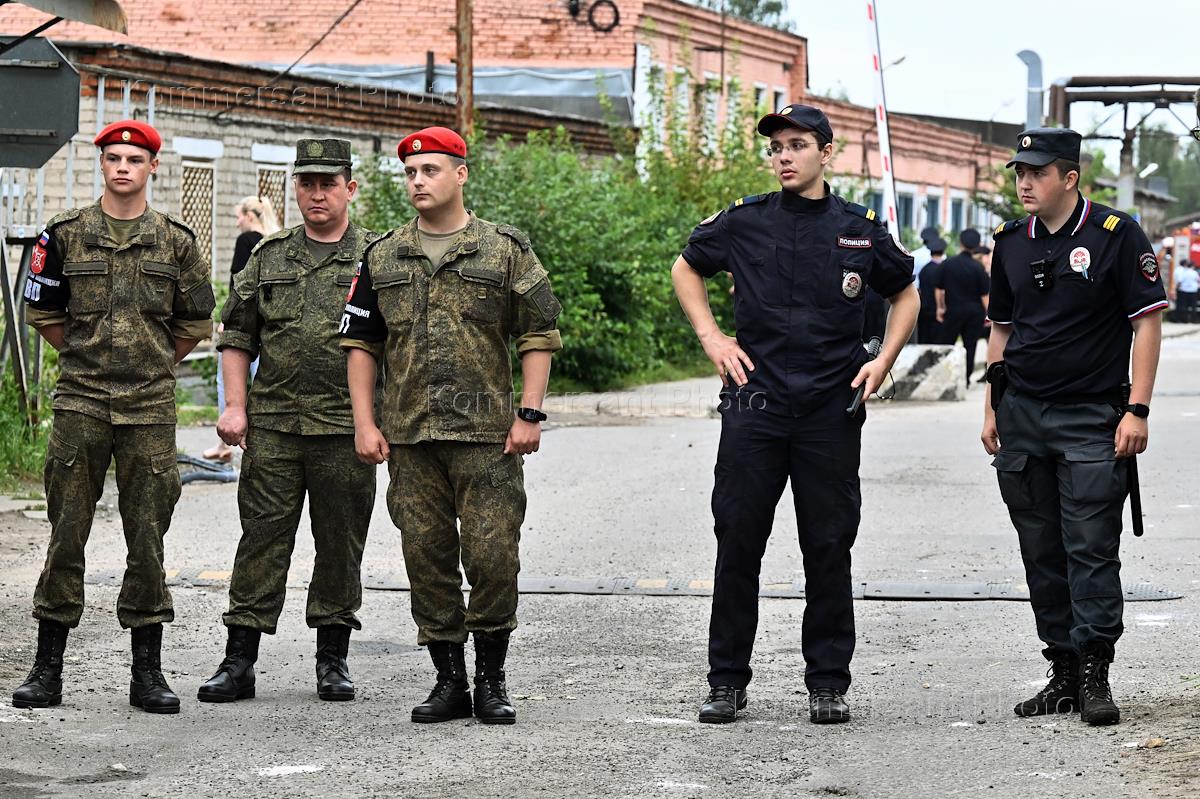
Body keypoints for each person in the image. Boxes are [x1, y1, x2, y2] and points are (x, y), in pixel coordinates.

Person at [671, 104, 919, 725]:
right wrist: (712, 338)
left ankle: (828, 683)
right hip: (755, 403)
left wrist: (883, 360)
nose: (783, 156)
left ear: (826, 153)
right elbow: (686, 267)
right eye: (776, 147)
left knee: (828, 545)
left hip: (829, 409)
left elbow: (905, 293)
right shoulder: (744, 221)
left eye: (797, 145)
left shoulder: (859, 229)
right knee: (738, 541)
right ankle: (726, 682)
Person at [340, 127, 562, 725]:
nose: (418, 181)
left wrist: (529, 413)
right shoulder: (383, 254)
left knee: (493, 556)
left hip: (487, 437)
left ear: (460, 174)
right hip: (410, 438)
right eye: (411, 173)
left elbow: (539, 333)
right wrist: (364, 422)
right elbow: (361, 344)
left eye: (431, 170)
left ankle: (491, 678)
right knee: (426, 558)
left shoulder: (502, 250)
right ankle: (449, 680)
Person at [13, 120, 215, 714]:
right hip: (81, 401)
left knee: (147, 537)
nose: (123, 167)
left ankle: (147, 673)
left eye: (134, 158)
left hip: (148, 406)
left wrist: (150, 362)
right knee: (66, 532)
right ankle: (47, 668)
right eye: (113, 157)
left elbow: (194, 321)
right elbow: (43, 310)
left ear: (153, 167)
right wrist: (88, 356)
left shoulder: (176, 241)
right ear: (100, 164)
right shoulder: (66, 235)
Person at [982, 128, 1167, 726]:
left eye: (1037, 172)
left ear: (1070, 177)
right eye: (1019, 172)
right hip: (1023, 414)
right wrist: (991, 408)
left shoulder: (1115, 235)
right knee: (1040, 549)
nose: (1025, 183)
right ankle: (1061, 671)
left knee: (1090, 547)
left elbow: (1146, 323)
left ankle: (1094, 673)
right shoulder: (1011, 242)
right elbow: (1002, 330)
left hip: (1092, 416)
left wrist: (1138, 409)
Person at [196, 140, 380, 704]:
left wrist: (380, 420)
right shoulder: (269, 255)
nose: (316, 194)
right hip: (274, 426)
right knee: (261, 540)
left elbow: (395, 344)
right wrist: (234, 406)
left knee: (340, 544)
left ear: (350, 188)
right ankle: (239, 662)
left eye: (328, 183)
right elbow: (237, 335)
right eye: (307, 183)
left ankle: (333, 660)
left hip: (344, 429)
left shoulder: (377, 257)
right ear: (295, 189)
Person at [203, 195, 280, 462]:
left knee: (227, 379)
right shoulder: (275, 241)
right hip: (269, 323)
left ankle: (225, 443)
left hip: (245, 322)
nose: (237, 223)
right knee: (263, 379)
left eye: (238, 217)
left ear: (249, 216)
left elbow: (239, 283)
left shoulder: (246, 241)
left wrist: (229, 319)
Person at [936, 228, 990, 384]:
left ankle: (945, 377)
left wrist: (940, 308)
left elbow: (939, 289)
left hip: (953, 310)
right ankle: (965, 378)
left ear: (960, 243)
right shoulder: (978, 268)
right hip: (974, 313)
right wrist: (989, 314)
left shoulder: (947, 264)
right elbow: (984, 295)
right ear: (977, 246)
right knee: (970, 346)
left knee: (947, 345)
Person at [915, 236, 947, 343]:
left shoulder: (924, 270)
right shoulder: (943, 269)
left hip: (924, 309)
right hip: (938, 310)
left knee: (924, 339)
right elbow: (943, 292)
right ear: (943, 252)